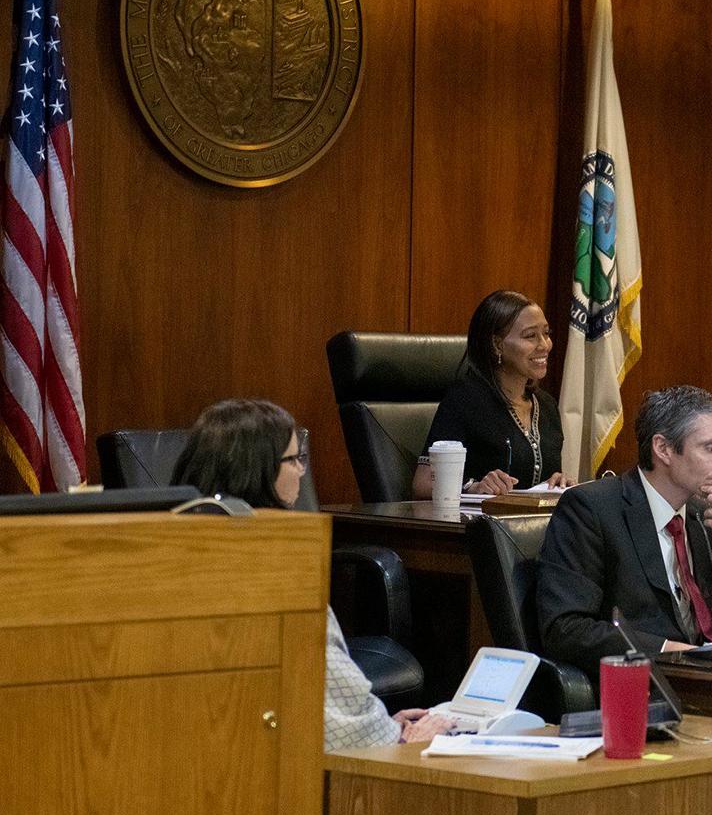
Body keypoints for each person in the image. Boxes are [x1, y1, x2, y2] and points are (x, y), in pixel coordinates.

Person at [173, 398, 453, 751]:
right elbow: (341, 723)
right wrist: (399, 736)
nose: (302, 471)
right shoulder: (274, 564)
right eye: (294, 459)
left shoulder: (177, 547)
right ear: (257, 469)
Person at [537, 385, 712, 680]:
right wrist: (669, 651)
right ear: (663, 448)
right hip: (649, 686)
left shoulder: (710, 513)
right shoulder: (592, 510)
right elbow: (566, 628)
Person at [412, 289, 565, 498]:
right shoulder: (465, 401)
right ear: (497, 344)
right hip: (477, 526)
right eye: (530, 336)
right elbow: (423, 483)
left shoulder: (546, 405)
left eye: (546, 333)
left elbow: (534, 484)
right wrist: (474, 487)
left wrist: (556, 483)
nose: (544, 345)